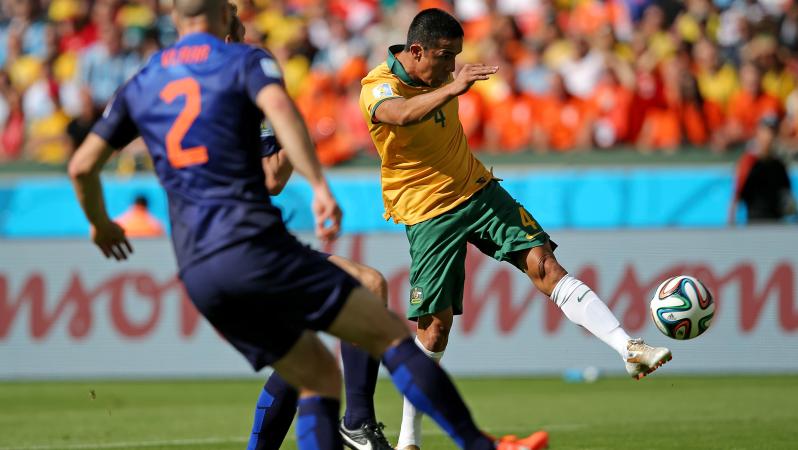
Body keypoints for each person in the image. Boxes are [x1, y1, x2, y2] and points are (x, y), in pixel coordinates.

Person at [68, 1, 546, 449]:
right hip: (252, 243)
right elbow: (275, 168)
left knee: (311, 367)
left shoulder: (145, 79)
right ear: (221, 20)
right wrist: (318, 184)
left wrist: (100, 224)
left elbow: (82, 166)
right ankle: (461, 441)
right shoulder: (244, 64)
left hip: (196, 265)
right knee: (377, 314)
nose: (242, 22)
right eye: (235, 15)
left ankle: (354, 424)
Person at [358, 9, 672, 450]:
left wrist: (451, 83)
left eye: (456, 57)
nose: (452, 66)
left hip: (477, 190)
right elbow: (402, 114)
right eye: (445, 57)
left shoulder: (442, 75)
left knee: (545, 264)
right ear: (416, 51)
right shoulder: (377, 85)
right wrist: (454, 87)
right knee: (434, 329)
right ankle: (409, 439)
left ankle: (628, 348)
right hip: (428, 212)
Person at [223, 7, 391, 449]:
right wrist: (295, 127)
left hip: (245, 244)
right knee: (357, 298)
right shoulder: (239, 96)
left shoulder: (216, 91)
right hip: (239, 248)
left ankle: (356, 421)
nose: (247, 41)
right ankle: (357, 421)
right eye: (238, 33)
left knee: (309, 347)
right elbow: (270, 179)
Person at [729, 115, 796, 224]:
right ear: (759, 133)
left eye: (773, 133)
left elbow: (786, 195)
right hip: (756, 222)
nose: (770, 137)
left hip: (776, 222)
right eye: (767, 132)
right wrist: (731, 222)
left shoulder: (778, 165)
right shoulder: (749, 162)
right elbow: (737, 194)